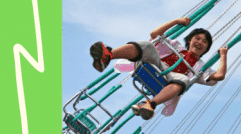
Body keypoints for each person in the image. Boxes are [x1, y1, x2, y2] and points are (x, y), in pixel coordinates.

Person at [89, 17, 228, 120]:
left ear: (207, 48)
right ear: (190, 40)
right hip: (157, 67)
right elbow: (154, 34)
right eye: (197, 38)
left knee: (185, 79)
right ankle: (107, 56)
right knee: (147, 45)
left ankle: (150, 104)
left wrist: (223, 55)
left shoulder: (200, 66)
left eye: (205, 42)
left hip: (170, 80)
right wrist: (176, 21)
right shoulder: (176, 46)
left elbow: (219, 76)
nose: (200, 42)